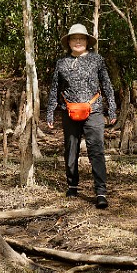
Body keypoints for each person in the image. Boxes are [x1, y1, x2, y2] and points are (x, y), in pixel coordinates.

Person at [46, 23, 117, 209]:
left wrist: (112, 110)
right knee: (71, 149)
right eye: (74, 39)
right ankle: (72, 186)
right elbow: (55, 88)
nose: (78, 42)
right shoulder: (61, 63)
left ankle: (100, 191)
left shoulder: (97, 60)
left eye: (81, 38)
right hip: (69, 111)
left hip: (94, 112)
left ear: (87, 41)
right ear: (69, 42)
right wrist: (50, 113)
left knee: (96, 150)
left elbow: (107, 85)